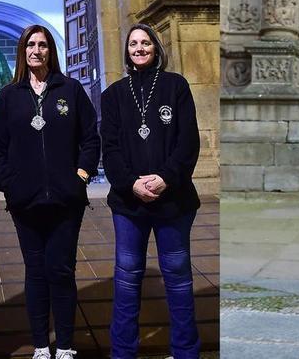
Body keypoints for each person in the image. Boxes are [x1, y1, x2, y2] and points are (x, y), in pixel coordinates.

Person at [0, 25, 100, 359]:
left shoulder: (71, 89)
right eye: (30, 45)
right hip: (26, 202)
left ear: (51, 50)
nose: (36, 50)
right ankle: (40, 345)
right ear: (22, 51)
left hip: (66, 201)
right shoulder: (9, 96)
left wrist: (80, 175)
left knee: (61, 271)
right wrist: (9, 182)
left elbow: (90, 137)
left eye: (43, 45)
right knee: (35, 272)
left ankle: (64, 345)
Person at [100, 23, 201, 359]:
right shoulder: (113, 94)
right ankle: (123, 352)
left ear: (156, 48)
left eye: (145, 43)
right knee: (127, 278)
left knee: (178, 276)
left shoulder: (176, 86)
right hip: (129, 204)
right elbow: (110, 150)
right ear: (126, 51)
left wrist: (165, 178)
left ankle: (186, 351)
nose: (139, 48)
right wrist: (131, 183)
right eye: (133, 44)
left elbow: (188, 142)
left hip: (173, 200)